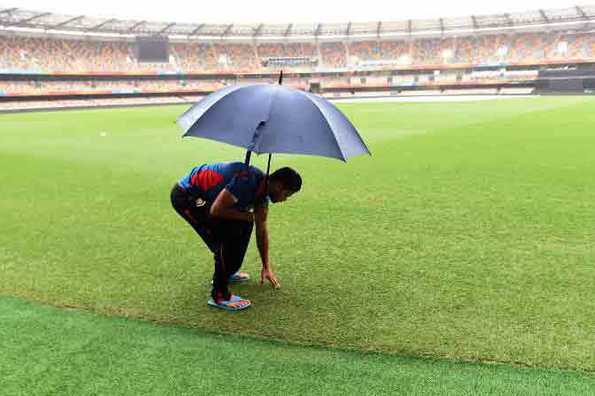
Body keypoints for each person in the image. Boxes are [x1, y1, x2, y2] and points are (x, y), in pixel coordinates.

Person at [171, 161, 302, 311]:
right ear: (278, 186)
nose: (285, 200)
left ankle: (227, 272)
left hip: (208, 199)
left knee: (243, 224)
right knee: (223, 237)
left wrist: (266, 266)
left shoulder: (262, 196)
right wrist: (250, 216)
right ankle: (220, 295)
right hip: (188, 196)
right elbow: (216, 210)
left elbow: (261, 230)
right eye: (287, 194)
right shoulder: (246, 180)